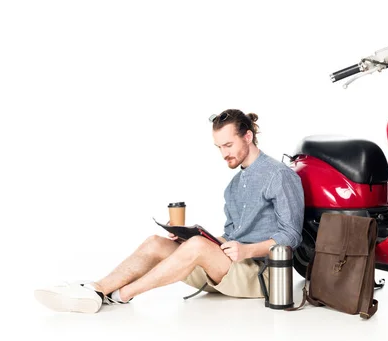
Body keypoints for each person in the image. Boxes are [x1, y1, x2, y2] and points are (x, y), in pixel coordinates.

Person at [34, 109, 305, 313]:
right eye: (219, 147)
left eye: (228, 145)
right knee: (157, 243)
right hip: (227, 267)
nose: (224, 154)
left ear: (248, 136)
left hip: (261, 275)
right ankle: (96, 290)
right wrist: (192, 238)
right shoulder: (234, 185)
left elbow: (291, 235)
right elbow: (231, 235)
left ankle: (123, 294)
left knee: (198, 246)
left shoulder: (279, 176)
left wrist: (246, 251)